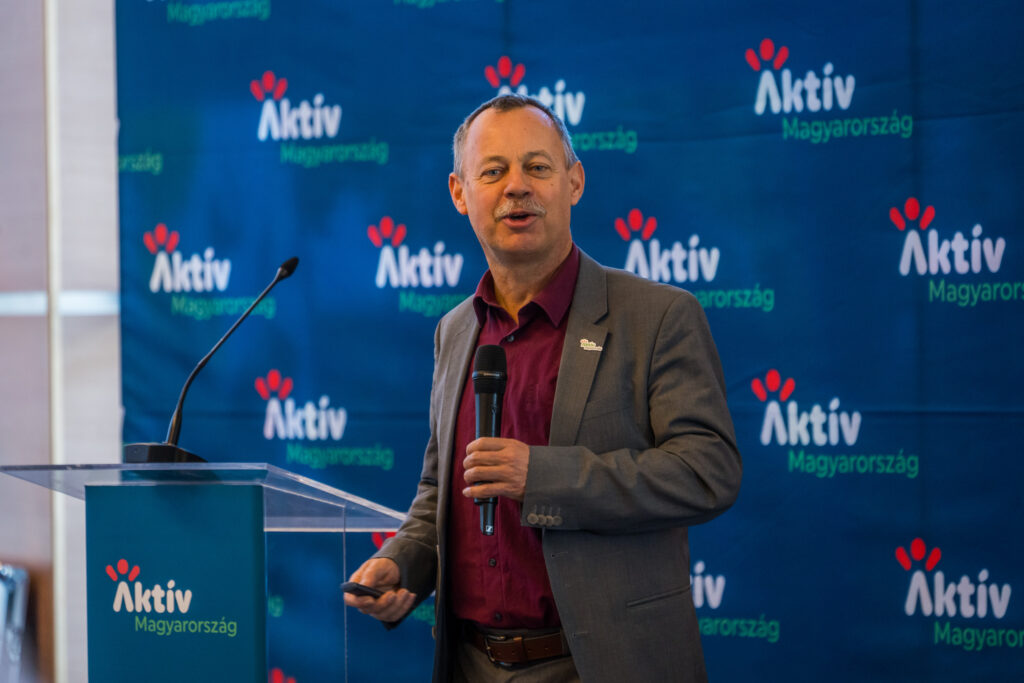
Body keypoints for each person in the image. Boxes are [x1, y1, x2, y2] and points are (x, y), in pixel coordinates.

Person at [344, 93, 742, 682]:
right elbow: (440, 490)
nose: (516, 187)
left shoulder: (657, 316)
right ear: (459, 193)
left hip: (603, 665)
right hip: (470, 663)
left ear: (574, 181)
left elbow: (708, 472)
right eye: (493, 171)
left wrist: (543, 476)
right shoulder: (455, 331)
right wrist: (404, 562)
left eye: (537, 166)